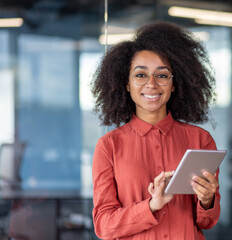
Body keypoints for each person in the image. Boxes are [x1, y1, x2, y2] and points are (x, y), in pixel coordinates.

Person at [91, 21, 220, 240]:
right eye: (141, 75)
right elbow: (104, 226)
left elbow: (207, 222)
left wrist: (207, 200)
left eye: (162, 75)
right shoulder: (109, 146)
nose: (152, 84)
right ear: (127, 84)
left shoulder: (200, 140)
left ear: (174, 84)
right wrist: (151, 206)